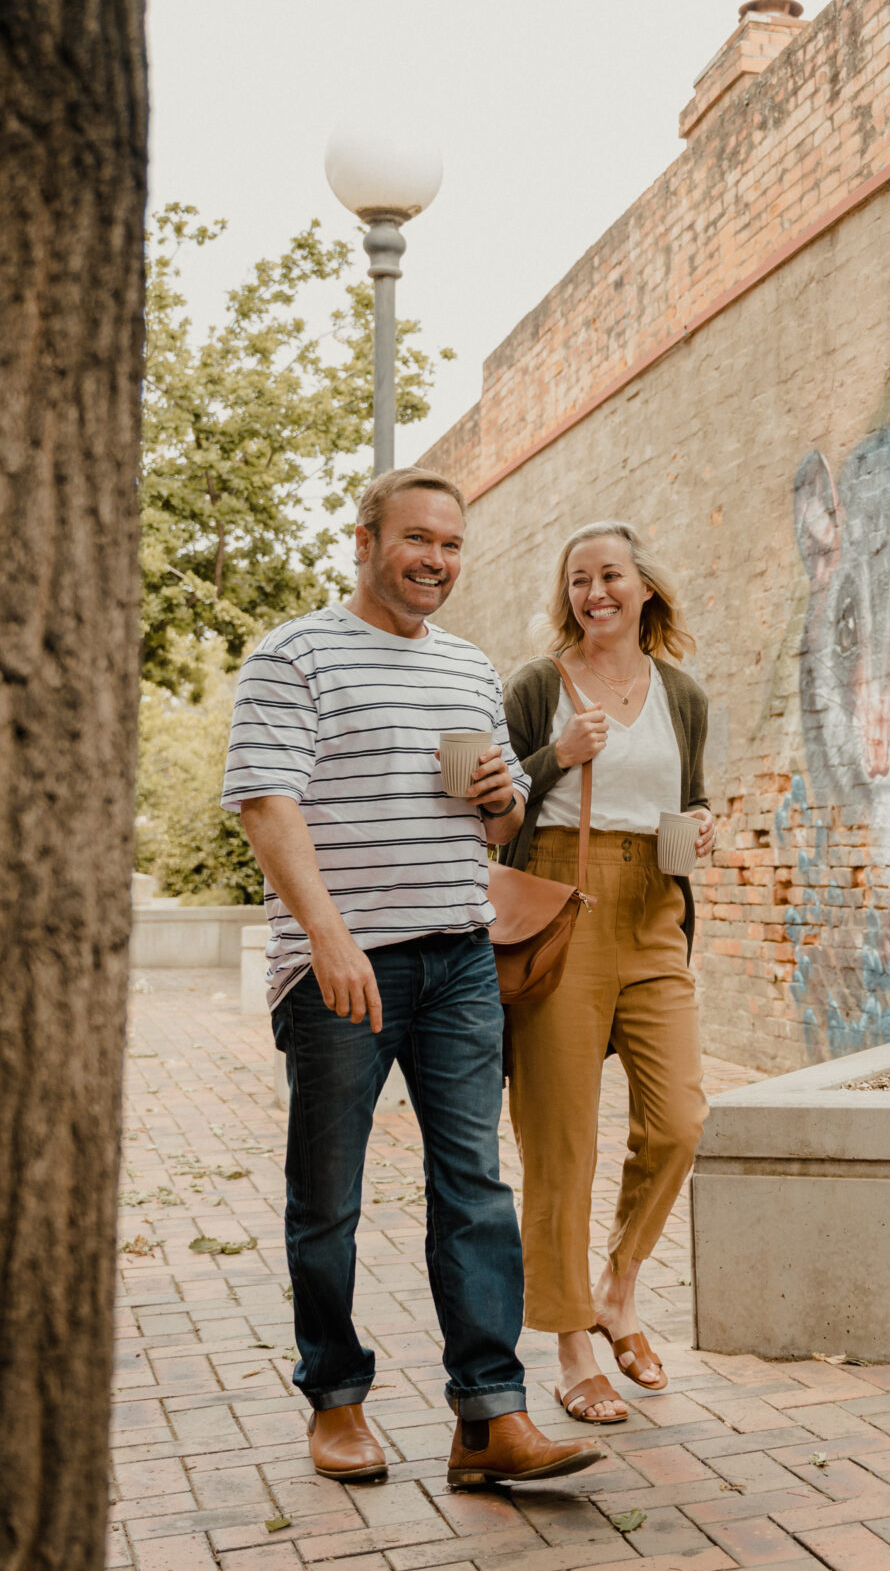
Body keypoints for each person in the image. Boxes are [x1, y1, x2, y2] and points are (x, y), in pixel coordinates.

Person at [222, 466, 603, 1490]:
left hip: (460, 959)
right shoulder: (293, 654)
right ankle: (335, 1400)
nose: (435, 560)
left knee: (473, 1186)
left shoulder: (472, 669)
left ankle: (489, 1419)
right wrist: (328, 938)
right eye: (416, 540)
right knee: (329, 1195)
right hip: (342, 968)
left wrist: (500, 797)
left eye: (451, 545)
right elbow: (267, 804)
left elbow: (497, 823)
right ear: (364, 540)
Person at [502, 521, 715, 1425]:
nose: (596, 592)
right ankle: (572, 1345)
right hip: (561, 896)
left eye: (612, 576)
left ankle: (619, 1287)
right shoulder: (538, 685)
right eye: (579, 578)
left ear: (644, 589)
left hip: (655, 906)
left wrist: (703, 826)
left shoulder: (682, 694)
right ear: (568, 596)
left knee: (679, 1119)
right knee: (562, 1145)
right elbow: (493, 798)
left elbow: (692, 793)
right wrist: (560, 756)